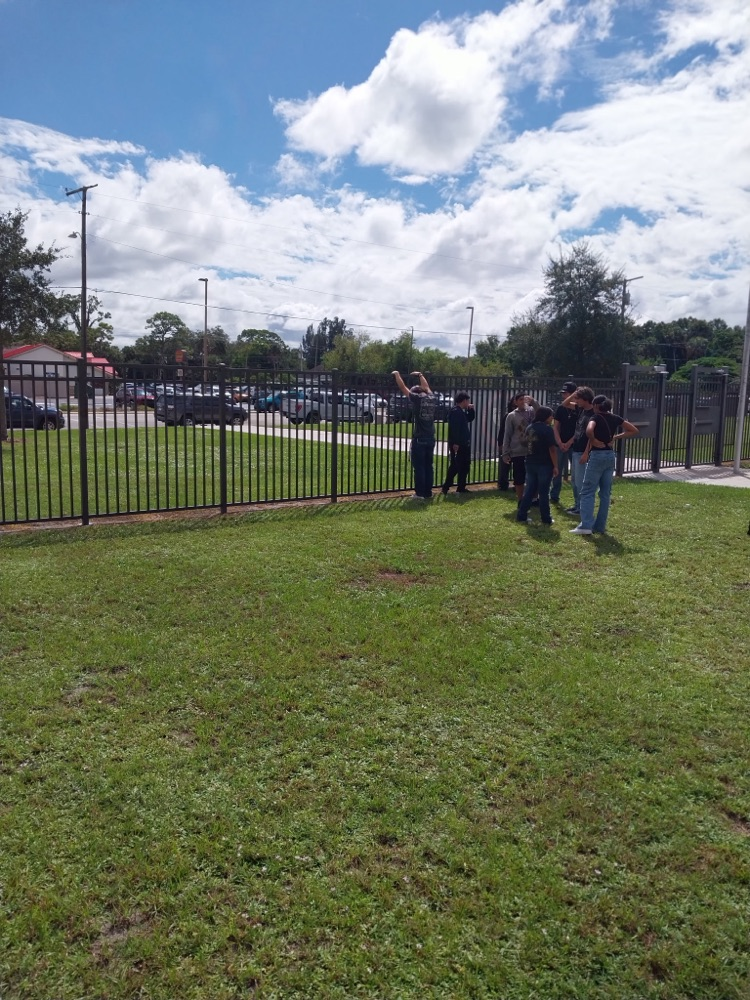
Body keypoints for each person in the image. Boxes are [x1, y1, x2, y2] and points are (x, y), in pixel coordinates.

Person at [570, 395, 639, 535]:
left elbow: (589, 430)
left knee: (588, 491)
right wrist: (615, 437)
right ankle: (600, 526)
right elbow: (633, 430)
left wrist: (593, 440)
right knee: (605, 493)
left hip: (597, 456)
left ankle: (586, 526)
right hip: (610, 455)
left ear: (596, 406)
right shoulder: (615, 418)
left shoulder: (595, 418)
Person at [392, 369, 437, 499]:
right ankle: (428, 493)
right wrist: (420, 375)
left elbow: (402, 387)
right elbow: (427, 386)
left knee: (419, 468)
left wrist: (397, 374)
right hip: (431, 438)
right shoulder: (431, 397)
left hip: (420, 439)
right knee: (429, 467)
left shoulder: (417, 399)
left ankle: (419, 493)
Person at [516, 406, 558, 526]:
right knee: (544, 492)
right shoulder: (547, 429)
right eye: (551, 416)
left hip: (530, 462)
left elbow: (526, 444)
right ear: (545, 416)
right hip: (544, 464)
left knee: (529, 490)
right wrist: (555, 466)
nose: (552, 418)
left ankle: (522, 515)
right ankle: (546, 518)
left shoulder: (530, 427)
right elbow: (552, 449)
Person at [501, 392, 540, 502]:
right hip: (518, 450)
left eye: (525, 399)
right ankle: (520, 500)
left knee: (534, 476)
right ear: (516, 402)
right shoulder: (511, 416)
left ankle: (534, 499)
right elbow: (507, 434)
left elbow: (541, 412)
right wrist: (505, 453)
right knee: (519, 478)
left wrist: (533, 401)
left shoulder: (531, 412)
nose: (523, 402)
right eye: (520, 399)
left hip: (532, 450)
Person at [566, 386, 595, 515]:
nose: (576, 401)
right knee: (574, 481)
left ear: (585, 399)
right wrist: (574, 394)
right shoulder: (581, 410)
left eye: (578, 398)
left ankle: (581, 508)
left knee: (580, 482)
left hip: (583, 452)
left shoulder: (593, 413)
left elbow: (591, 436)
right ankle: (577, 505)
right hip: (575, 449)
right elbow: (565, 404)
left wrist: (586, 453)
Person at [550, 380, 578, 504]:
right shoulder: (561, 408)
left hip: (574, 445)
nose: (563, 395)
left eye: (565, 393)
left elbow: (579, 429)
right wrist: (560, 442)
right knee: (557, 471)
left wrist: (569, 443)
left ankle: (578, 498)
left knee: (576, 473)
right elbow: (555, 426)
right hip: (560, 444)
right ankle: (554, 495)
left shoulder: (579, 408)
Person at [442, 391, 475, 493]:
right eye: (467, 401)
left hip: (464, 443)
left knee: (465, 466)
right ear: (464, 400)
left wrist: (471, 410)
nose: (468, 402)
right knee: (456, 466)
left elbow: (470, 418)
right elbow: (455, 429)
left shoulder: (461, 412)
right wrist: (456, 443)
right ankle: (446, 486)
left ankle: (461, 487)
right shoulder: (456, 412)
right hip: (458, 444)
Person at [496, 399, 516, 491]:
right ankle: (503, 484)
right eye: (513, 406)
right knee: (505, 466)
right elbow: (502, 431)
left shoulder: (523, 416)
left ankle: (517, 484)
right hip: (507, 445)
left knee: (517, 466)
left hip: (517, 445)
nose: (514, 408)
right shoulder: (507, 416)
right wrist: (500, 444)